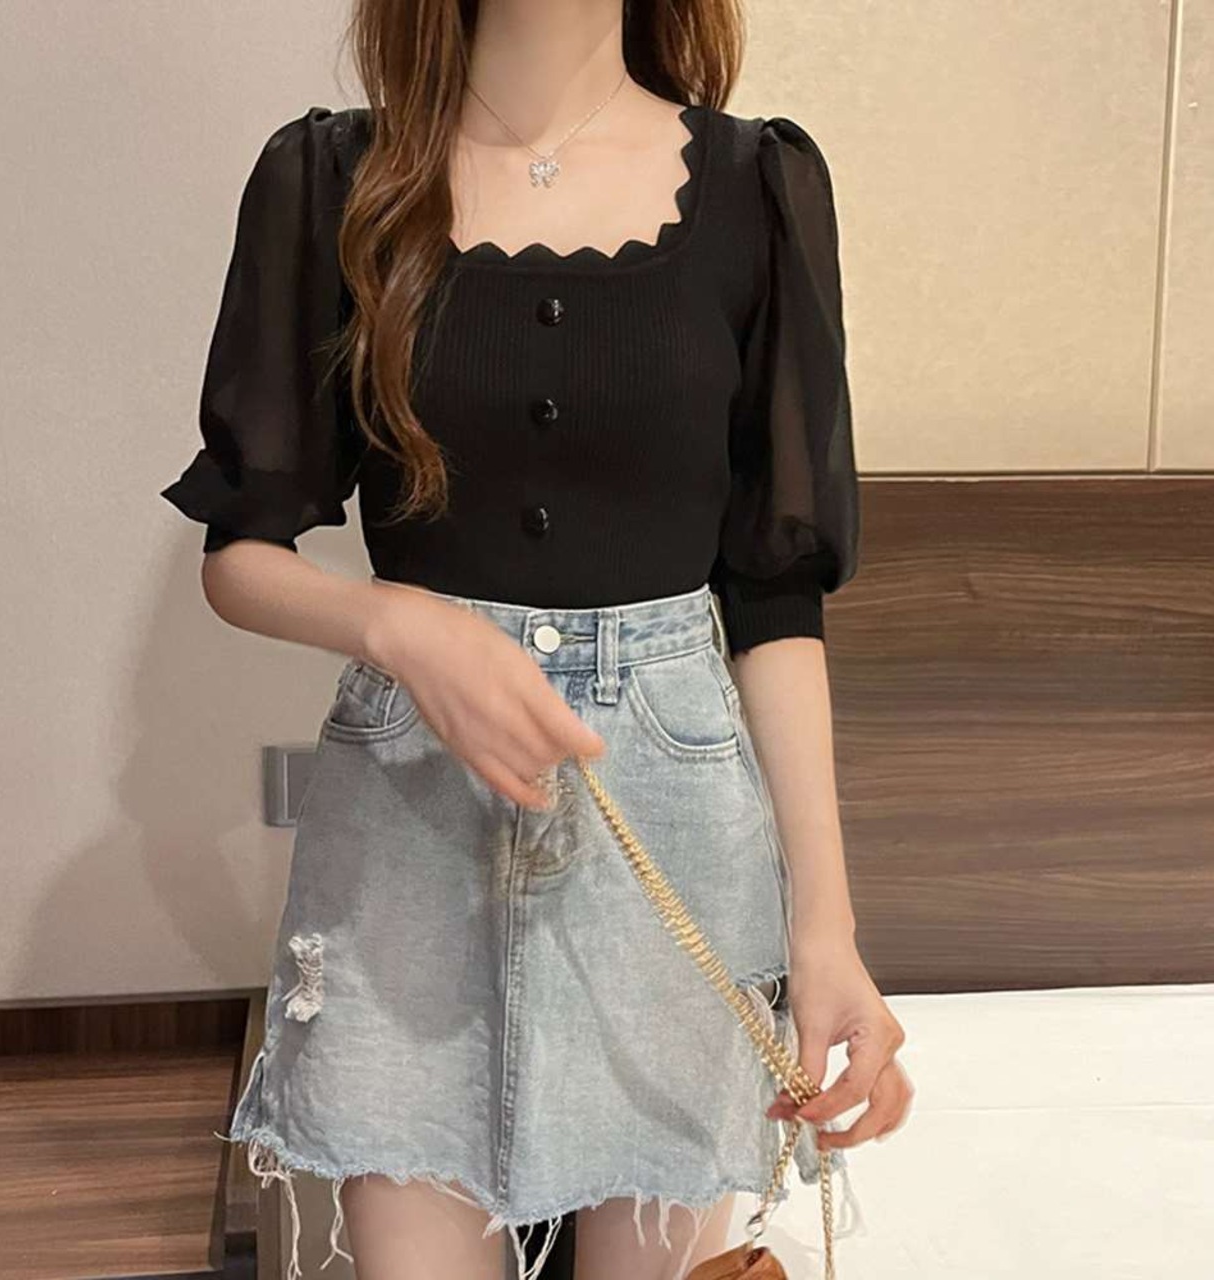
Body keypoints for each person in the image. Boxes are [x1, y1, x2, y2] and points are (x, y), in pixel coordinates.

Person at [160, 2, 913, 1278]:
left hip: (669, 812)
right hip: (407, 825)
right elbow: (239, 554)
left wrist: (824, 932)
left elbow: (775, 599)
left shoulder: (757, 187)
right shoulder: (332, 179)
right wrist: (399, 620)